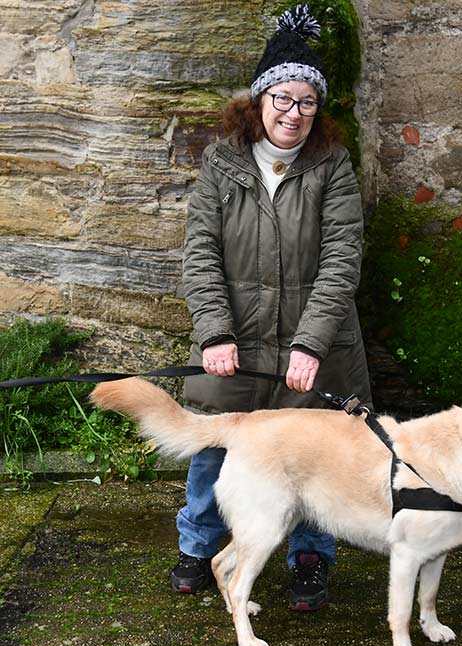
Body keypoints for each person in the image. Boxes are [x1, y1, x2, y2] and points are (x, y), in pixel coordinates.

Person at [171, 3, 372, 610]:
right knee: (213, 450)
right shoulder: (221, 163)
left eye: (307, 102)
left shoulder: (332, 165)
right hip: (234, 344)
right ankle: (201, 546)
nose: (294, 113)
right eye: (282, 99)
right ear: (258, 102)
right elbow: (199, 254)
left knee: (319, 457)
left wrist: (311, 343)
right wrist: (213, 333)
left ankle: (310, 556)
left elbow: (342, 260)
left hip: (317, 349)